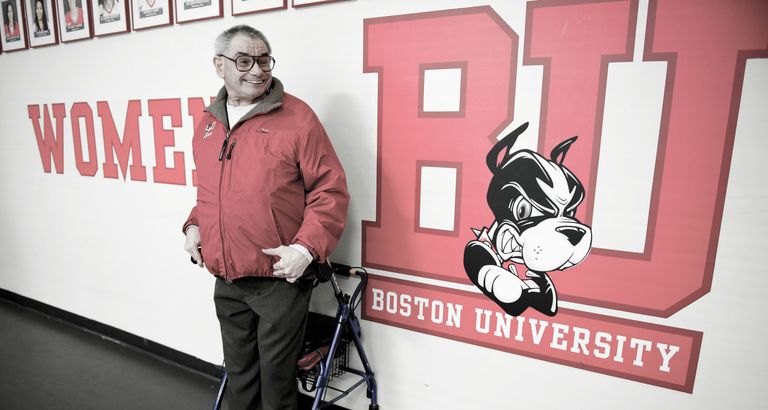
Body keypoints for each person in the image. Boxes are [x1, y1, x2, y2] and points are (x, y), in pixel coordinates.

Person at [182, 25, 349, 410]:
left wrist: (305, 250)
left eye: (263, 60)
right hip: (227, 275)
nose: (256, 70)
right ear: (219, 66)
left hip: (278, 278)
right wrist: (194, 225)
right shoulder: (208, 122)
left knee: (276, 386)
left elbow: (331, 191)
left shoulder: (298, 117)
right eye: (243, 60)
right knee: (240, 381)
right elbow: (213, 193)